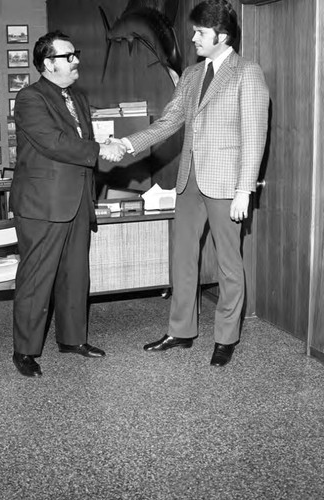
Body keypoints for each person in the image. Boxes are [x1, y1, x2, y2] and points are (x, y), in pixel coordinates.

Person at [113, 0, 269, 367]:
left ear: (222, 35)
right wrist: (127, 143)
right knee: (183, 257)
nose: (193, 37)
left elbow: (254, 136)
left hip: (227, 185)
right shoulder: (190, 75)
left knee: (230, 263)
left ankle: (226, 337)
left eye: (200, 31)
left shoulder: (247, 73)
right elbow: (168, 122)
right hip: (189, 181)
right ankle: (180, 331)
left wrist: (244, 190)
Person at [10, 30, 125, 377]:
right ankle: (25, 350)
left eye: (75, 54)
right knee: (37, 278)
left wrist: (105, 144)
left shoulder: (77, 96)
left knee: (76, 274)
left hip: (77, 200)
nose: (76, 61)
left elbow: (82, 139)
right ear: (48, 63)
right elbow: (53, 142)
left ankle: (72, 339)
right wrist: (99, 150)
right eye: (68, 56)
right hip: (43, 204)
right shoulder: (30, 98)